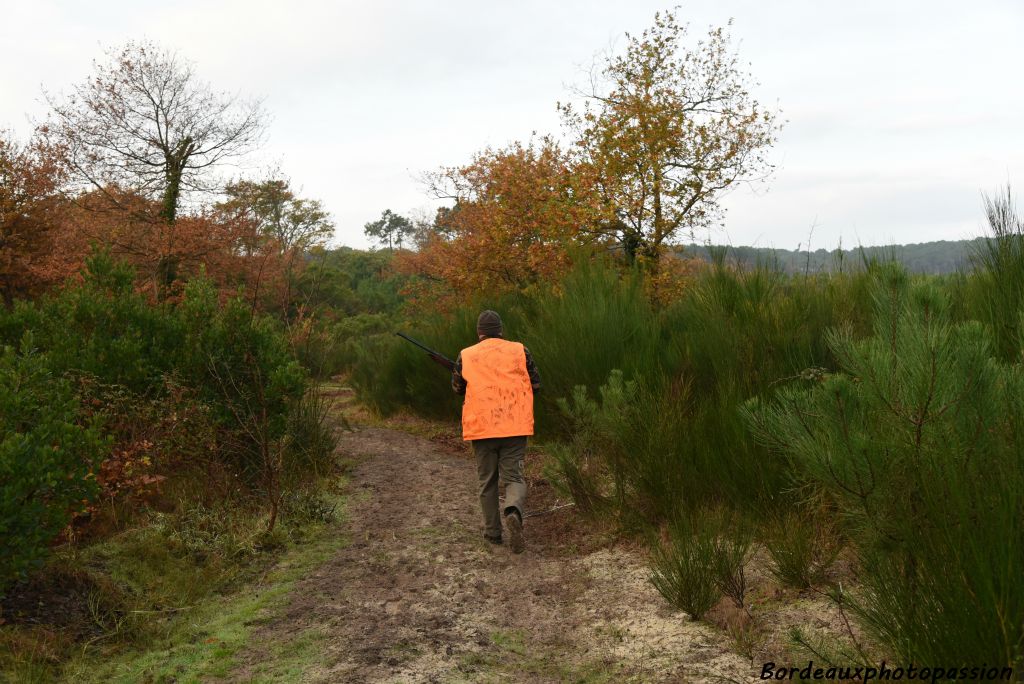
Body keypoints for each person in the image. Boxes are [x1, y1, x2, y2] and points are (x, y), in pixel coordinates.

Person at [451, 310, 540, 553]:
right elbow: (536, 384)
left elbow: (458, 389)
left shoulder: (465, 355)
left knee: (487, 481)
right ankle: (513, 511)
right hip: (514, 426)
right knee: (515, 478)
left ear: (479, 332)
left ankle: (493, 533)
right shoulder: (521, 350)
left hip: (481, 429)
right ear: (500, 330)